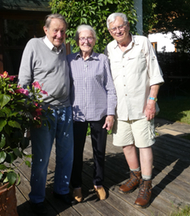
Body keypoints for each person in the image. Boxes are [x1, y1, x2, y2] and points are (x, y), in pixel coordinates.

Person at [105, 12, 164, 208]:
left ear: (128, 26)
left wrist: (151, 101)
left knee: (144, 144)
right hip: (120, 108)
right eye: (113, 29)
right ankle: (135, 176)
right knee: (126, 144)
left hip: (142, 106)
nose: (118, 31)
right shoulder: (110, 49)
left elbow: (154, 75)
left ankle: (147, 185)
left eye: (120, 27)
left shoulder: (143, 43)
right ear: (109, 32)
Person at [18, 14, 74, 214]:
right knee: (41, 159)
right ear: (45, 30)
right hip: (44, 111)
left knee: (66, 155)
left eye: (63, 31)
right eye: (55, 30)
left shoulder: (65, 49)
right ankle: (37, 199)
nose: (59, 35)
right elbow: (23, 82)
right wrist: (31, 111)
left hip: (65, 109)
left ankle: (61, 190)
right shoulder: (34, 45)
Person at [67, 24, 117, 203]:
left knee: (99, 151)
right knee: (76, 151)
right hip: (76, 114)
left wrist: (110, 114)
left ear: (94, 40)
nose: (85, 41)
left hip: (99, 112)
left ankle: (98, 183)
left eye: (89, 38)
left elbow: (110, 88)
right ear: (77, 41)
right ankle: (77, 186)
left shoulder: (102, 60)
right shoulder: (69, 60)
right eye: (82, 38)